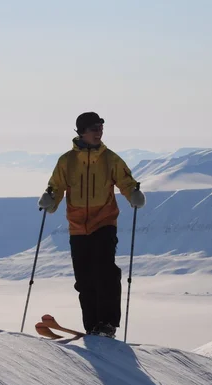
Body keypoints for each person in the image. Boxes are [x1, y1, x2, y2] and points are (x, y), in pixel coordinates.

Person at [38, 111, 146, 337]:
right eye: (94, 128)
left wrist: (133, 194)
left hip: (104, 221)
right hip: (77, 225)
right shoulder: (66, 161)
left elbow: (126, 181)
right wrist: (50, 200)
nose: (99, 132)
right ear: (82, 132)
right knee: (84, 277)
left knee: (105, 271)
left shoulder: (110, 159)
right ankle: (92, 325)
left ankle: (107, 324)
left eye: (100, 128)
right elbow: (56, 187)